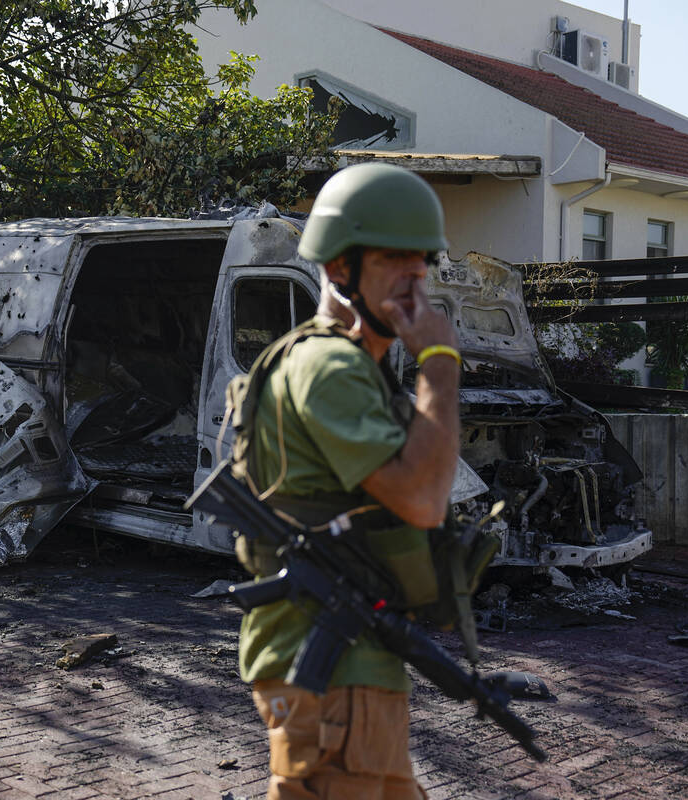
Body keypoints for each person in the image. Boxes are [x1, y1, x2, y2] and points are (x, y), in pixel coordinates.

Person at [233, 163, 461, 800]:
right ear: (339, 269)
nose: (415, 276)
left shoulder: (349, 366)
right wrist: (439, 365)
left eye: (423, 261)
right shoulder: (330, 367)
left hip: (351, 666)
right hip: (330, 668)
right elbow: (420, 497)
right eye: (394, 259)